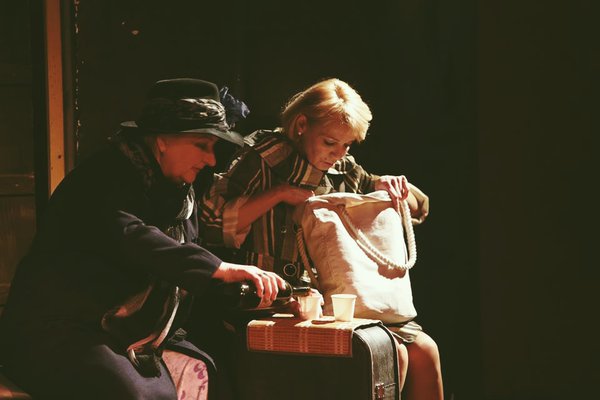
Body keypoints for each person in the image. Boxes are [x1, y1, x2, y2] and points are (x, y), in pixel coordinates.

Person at [0, 78, 286, 400]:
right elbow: (134, 237)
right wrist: (219, 268)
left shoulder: (180, 193)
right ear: (163, 140)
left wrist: (266, 296)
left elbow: (183, 265)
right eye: (201, 145)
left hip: (125, 332)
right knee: (134, 395)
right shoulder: (103, 176)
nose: (211, 160)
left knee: (214, 377)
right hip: (58, 329)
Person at [199, 78, 443, 400]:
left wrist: (392, 186)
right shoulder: (262, 157)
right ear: (302, 125)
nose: (337, 154)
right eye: (330, 142)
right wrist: (278, 194)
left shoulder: (342, 168)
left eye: (347, 146)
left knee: (425, 350)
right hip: (270, 301)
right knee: (388, 353)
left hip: (332, 301)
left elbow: (416, 207)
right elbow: (210, 223)